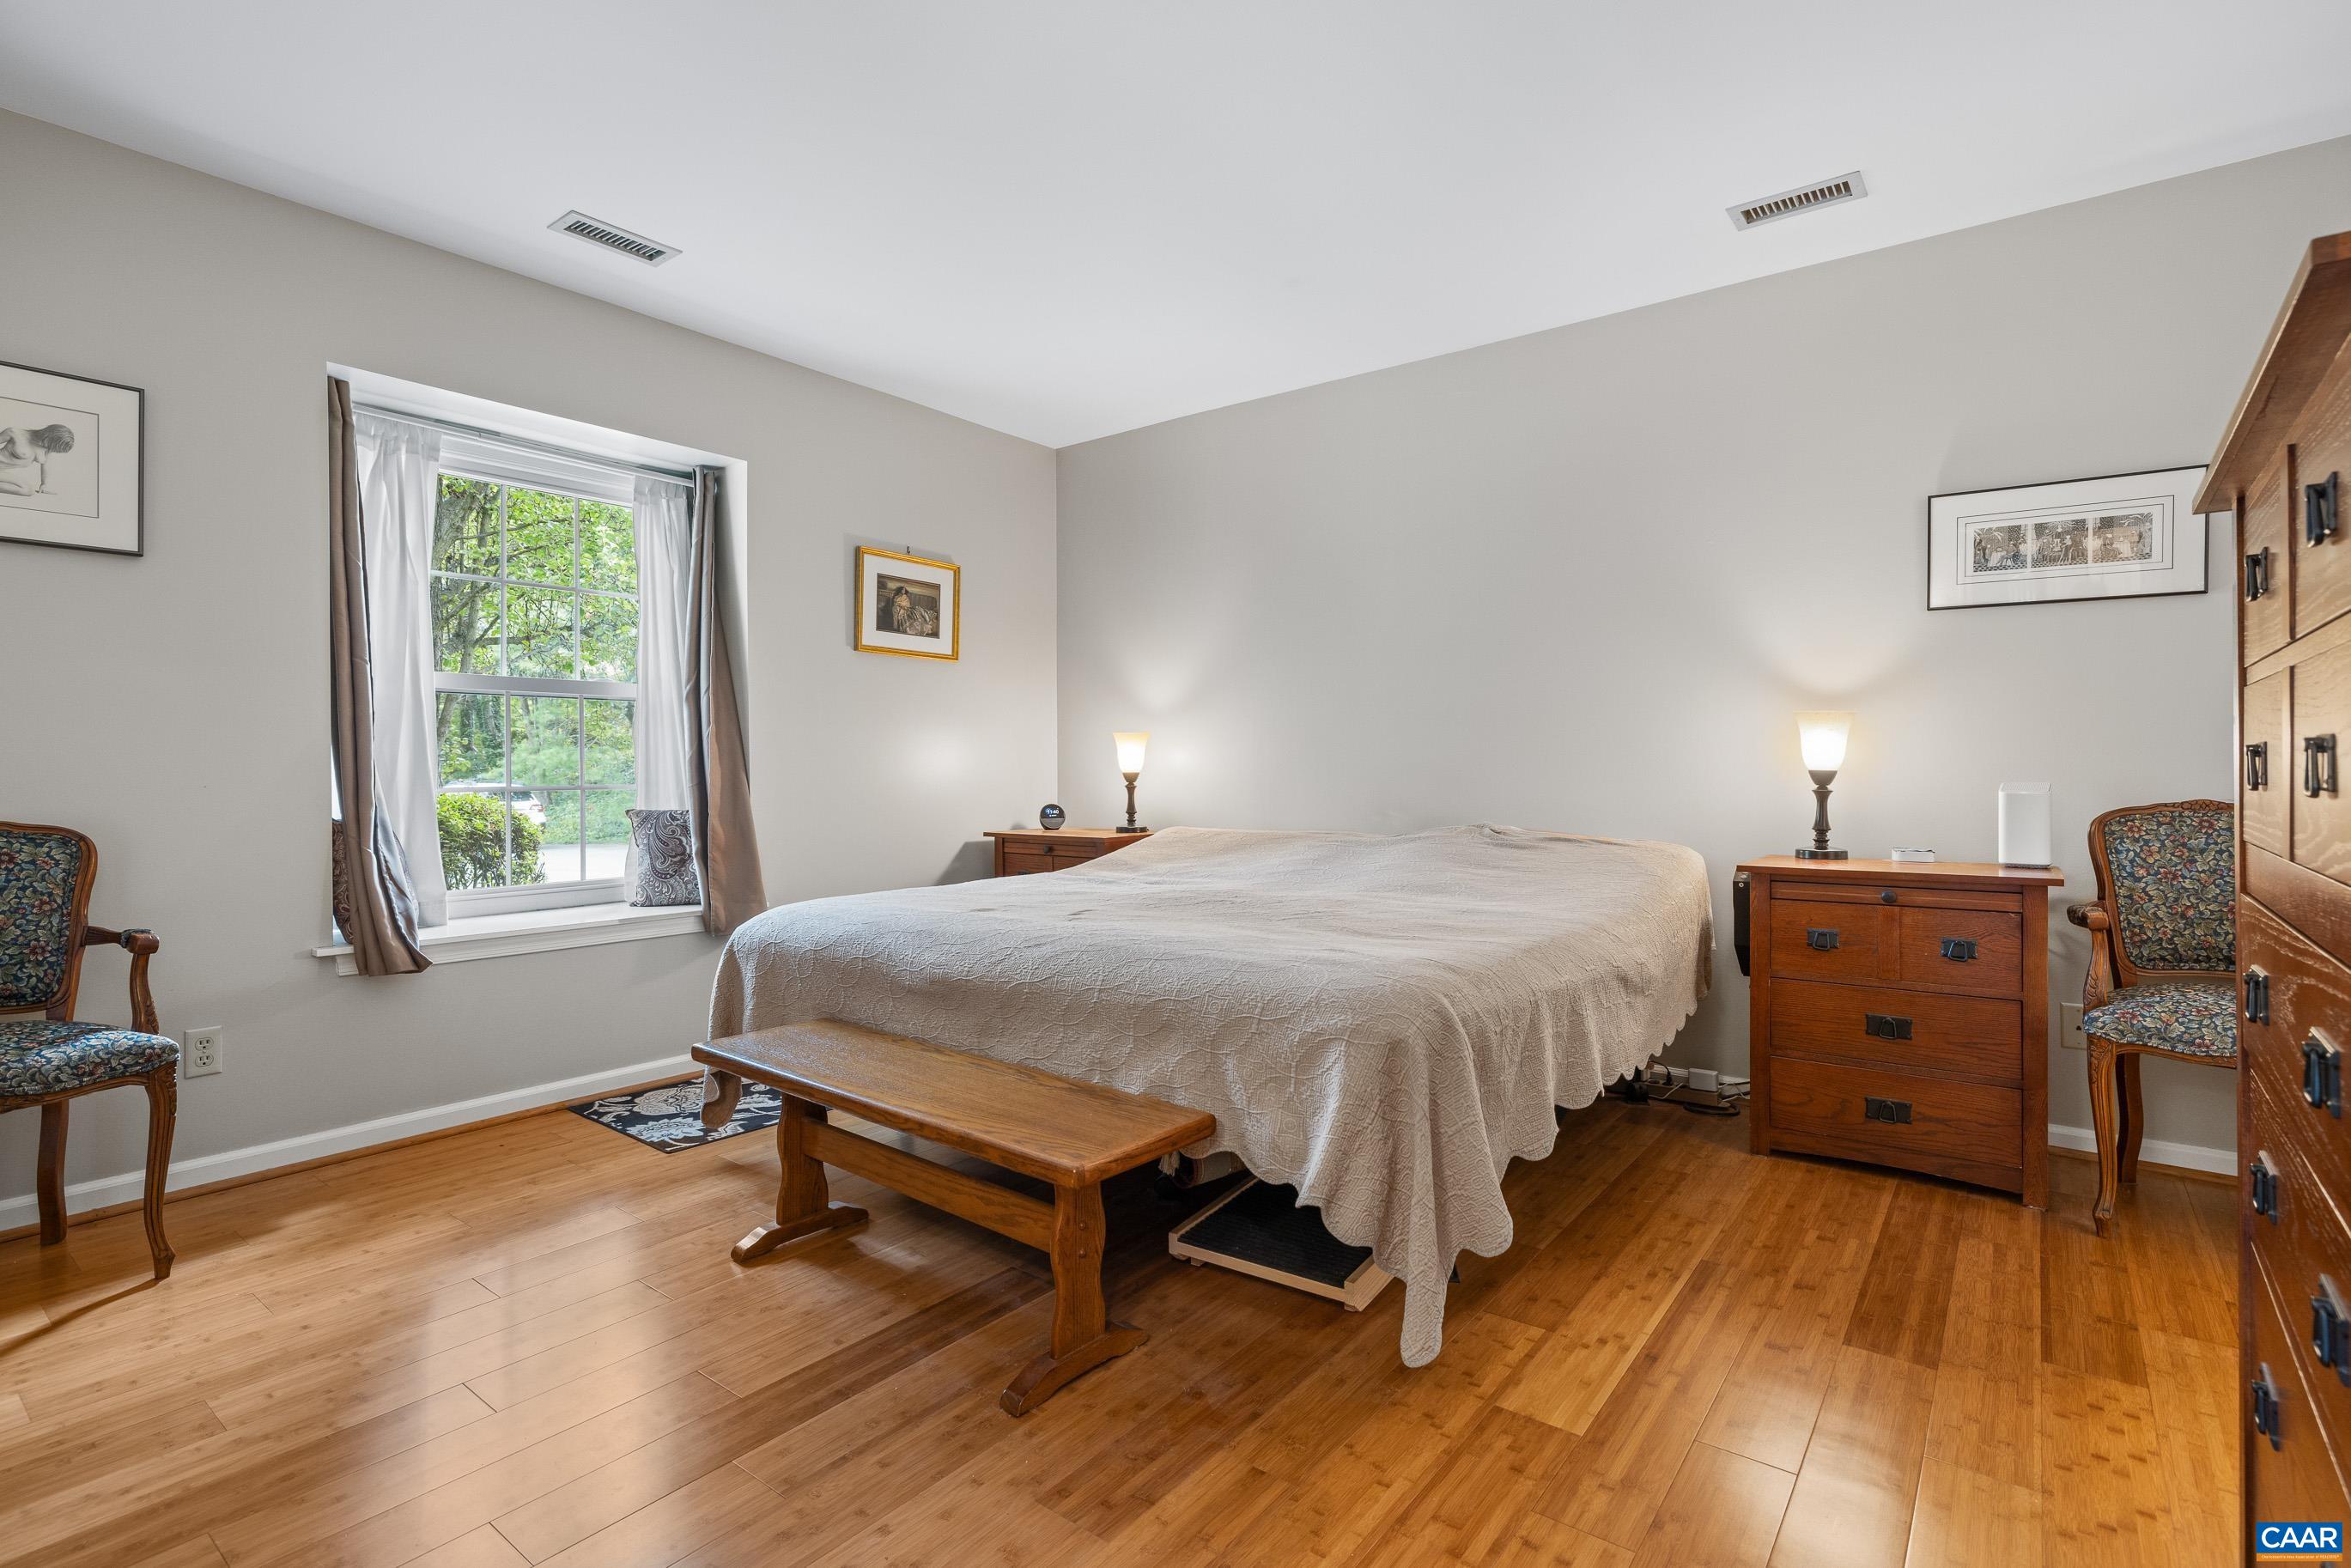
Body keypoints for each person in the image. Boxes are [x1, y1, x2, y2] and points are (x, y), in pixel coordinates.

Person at [0, 423, 73, 497]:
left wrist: (44, 484)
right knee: (29, 490)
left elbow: (46, 465)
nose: (51, 450)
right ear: (49, 436)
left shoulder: (47, 448)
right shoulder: (14, 432)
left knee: (28, 490)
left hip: (2, 472)